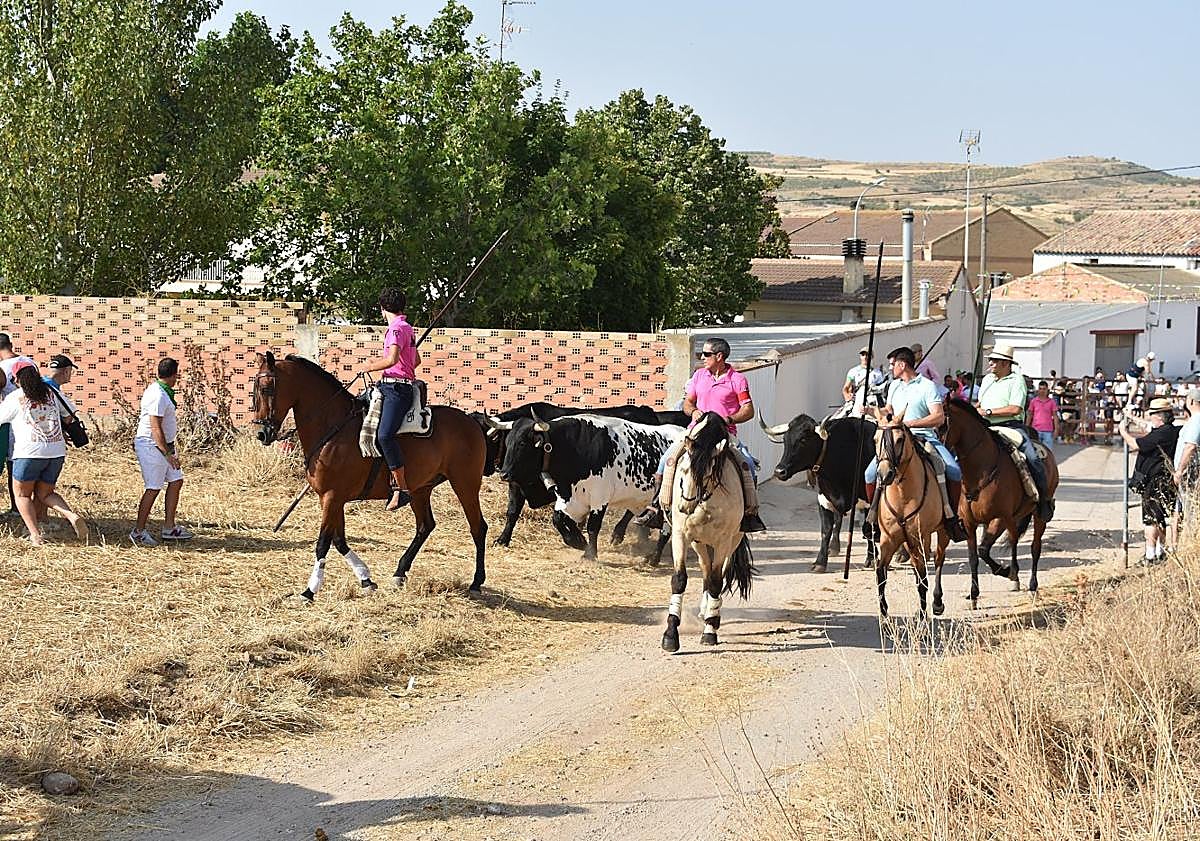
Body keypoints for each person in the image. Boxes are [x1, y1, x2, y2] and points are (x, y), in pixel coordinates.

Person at [632, 338, 766, 533]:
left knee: (748, 464)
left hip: (723, 433)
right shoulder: (699, 376)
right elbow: (688, 402)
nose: (702, 358)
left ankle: (750, 514)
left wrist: (728, 419)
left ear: (719, 356)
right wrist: (693, 412)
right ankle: (656, 509)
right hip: (696, 432)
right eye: (701, 354)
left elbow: (748, 410)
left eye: (706, 354)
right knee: (666, 460)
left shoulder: (737, 380)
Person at [864, 345, 968, 542]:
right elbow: (888, 410)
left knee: (953, 470)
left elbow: (938, 417)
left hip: (923, 436)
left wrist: (910, 423)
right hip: (895, 438)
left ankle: (951, 518)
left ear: (902, 365)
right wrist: (870, 411)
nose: (890, 368)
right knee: (870, 473)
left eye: (893, 364)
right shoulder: (894, 386)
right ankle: (874, 518)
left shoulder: (927, 386)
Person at [0, 361, 87, 545]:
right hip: (56, 452)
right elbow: (69, 415)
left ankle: (35, 535)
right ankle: (70, 515)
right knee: (46, 493)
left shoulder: (16, 397)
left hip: (28, 452)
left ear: (16, 379)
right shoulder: (51, 393)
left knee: (22, 495)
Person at [977, 344, 1053, 520]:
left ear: (1005, 363)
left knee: (1033, 458)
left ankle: (1042, 500)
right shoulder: (987, 379)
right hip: (986, 427)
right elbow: (981, 403)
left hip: (1010, 426)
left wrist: (988, 412)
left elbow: (1015, 408)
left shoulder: (1016, 380)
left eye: (994, 360)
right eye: (991, 360)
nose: (991, 363)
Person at [361, 286, 420, 511]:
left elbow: (392, 359)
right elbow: (416, 362)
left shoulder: (395, 329)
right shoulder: (407, 328)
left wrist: (369, 366)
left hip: (396, 389)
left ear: (382, 308)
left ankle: (402, 489)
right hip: (391, 386)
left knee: (385, 435)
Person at [130, 357, 192, 547]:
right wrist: (167, 454)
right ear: (175, 375)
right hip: (151, 445)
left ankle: (169, 527)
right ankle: (138, 531)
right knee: (153, 487)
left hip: (164, 445)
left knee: (176, 480)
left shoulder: (162, 392)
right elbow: (155, 427)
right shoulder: (158, 395)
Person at [1119, 397, 1179, 562]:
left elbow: (1135, 444)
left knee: (1151, 519)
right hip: (1163, 479)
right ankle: (1160, 552)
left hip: (1155, 481)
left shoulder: (1160, 434)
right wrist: (1131, 417)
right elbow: (1147, 425)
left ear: (1159, 416)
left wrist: (1122, 431)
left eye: (1152, 414)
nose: (1149, 416)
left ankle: (1150, 555)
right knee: (1160, 517)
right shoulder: (1169, 431)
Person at [37, 354, 83, 526]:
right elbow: (69, 416)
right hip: (52, 445)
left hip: (31, 442)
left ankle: (42, 519)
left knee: (37, 486)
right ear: (65, 371)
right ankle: (41, 520)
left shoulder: (38, 385)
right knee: (43, 487)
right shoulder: (54, 390)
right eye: (70, 371)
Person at [0, 334, 35, 513]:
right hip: (34, 420)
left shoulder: (2, 368)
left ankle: (16, 507)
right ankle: (32, 508)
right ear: (10, 344)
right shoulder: (29, 362)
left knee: (13, 467)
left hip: (11, 425)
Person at [1172, 388, 1200, 536]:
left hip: (1190, 472)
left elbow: (1190, 447)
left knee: (1190, 511)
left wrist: (1180, 470)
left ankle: (1191, 547)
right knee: (1183, 508)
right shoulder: (1194, 420)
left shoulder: (1197, 420)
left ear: (1191, 401)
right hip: (1190, 471)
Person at [842, 347, 885, 415]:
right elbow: (846, 387)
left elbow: (881, 390)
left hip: (873, 401)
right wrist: (847, 395)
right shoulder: (853, 371)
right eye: (863, 355)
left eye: (867, 355)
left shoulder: (878, 373)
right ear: (860, 356)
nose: (865, 357)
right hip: (858, 399)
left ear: (872, 357)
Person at [1027, 381, 1060, 450]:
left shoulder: (1052, 402)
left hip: (1048, 431)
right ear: (1038, 390)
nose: (1042, 391)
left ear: (1047, 390)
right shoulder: (1033, 401)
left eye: (1044, 389)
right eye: (1040, 388)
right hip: (1036, 430)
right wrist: (1027, 428)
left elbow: (1055, 416)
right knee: (1036, 452)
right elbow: (1030, 415)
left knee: (1048, 452)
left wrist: (1056, 429)